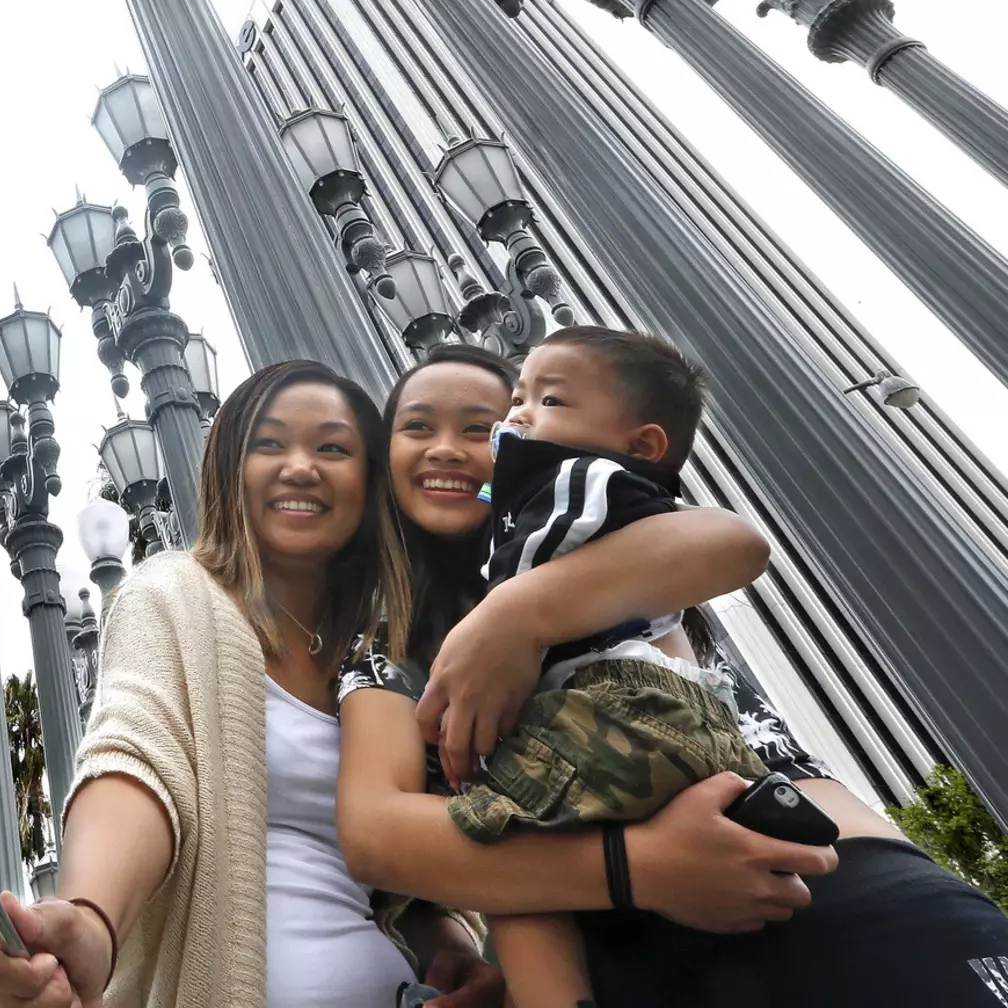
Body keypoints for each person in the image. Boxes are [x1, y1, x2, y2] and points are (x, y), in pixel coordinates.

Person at [0, 359, 831, 1008]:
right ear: (227, 471)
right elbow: (135, 761)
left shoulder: (388, 654)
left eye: (333, 448)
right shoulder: (179, 596)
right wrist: (90, 912)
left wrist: (449, 947)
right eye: (268, 444)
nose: (300, 466)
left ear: (367, 483)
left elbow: (399, 861)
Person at [341, 341, 1008, 1007]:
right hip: (627, 960)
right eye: (417, 426)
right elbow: (381, 835)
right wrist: (633, 869)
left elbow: (732, 541)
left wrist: (516, 614)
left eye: (489, 426)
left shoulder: (611, 532)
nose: (452, 449)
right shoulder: (381, 646)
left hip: (825, 885)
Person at [430, 327, 772, 1008]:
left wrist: (506, 615)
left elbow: (727, 541)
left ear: (642, 445)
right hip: (653, 718)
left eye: (548, 400)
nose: (516, 416)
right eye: (517, 400)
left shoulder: (580, 480)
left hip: (618, 705)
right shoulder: (568, 499)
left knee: (502, 840)